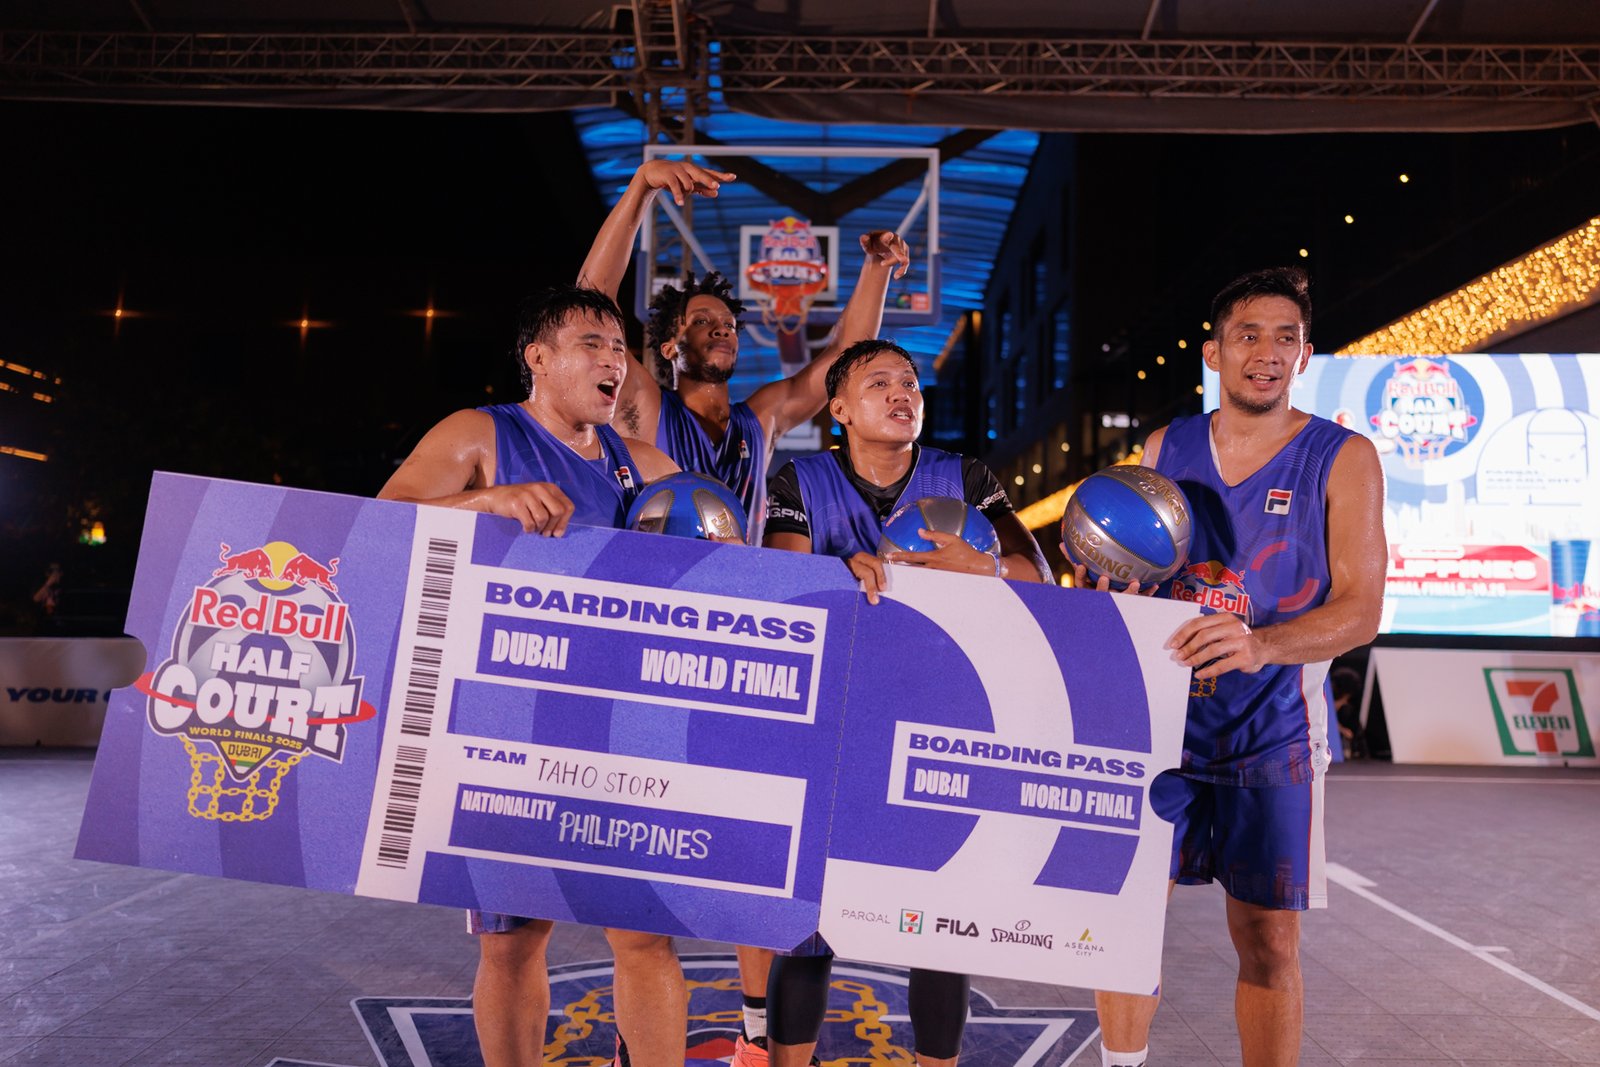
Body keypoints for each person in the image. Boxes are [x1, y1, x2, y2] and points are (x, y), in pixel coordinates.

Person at [378, 285, 684, 1067]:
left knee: (645, 935)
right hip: (505, 724)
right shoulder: (481, 432)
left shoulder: (643, 464)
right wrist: (488, 499)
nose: (614, 360)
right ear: (538, 357)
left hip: (623, 730)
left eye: (620, 348)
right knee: (513, 944)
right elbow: (381, 523)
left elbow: (716, 572)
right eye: (592, 343)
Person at [1088, 267, 1385, 1067]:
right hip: (1158, 725)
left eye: (1286, 337)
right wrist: (1105, 577)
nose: (1268, 352)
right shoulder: (1165, 446)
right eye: (1249, 335)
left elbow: (1363, 610)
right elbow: (1130, 573)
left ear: (1307, 353)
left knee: (1268, 941)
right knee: (1123, 924)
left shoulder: (1343, 455)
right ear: (1213, 352)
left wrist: (1264, 644)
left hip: (1270, 732)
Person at [759, 338, 1052, 1067]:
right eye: (880, 382)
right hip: (837, 727)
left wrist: (981, 567)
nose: (902, 394)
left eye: (911, 383)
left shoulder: (966, 475)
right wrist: (840, 569)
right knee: (809, 929)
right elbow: (777, 578)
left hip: (942, 722)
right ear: (839, 409)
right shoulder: (804, 478)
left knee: (940, 929)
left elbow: (1041, 575)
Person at [577, 159, 911, 542]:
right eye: (701, 321)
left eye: (729, 325)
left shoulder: (760, 419)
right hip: (659, 586)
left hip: (740, 590)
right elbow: (592, 304)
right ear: (669, 347)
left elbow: (845, 356)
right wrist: (642, 187)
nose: (721, 327)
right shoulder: (646, 403)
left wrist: (877, 267)